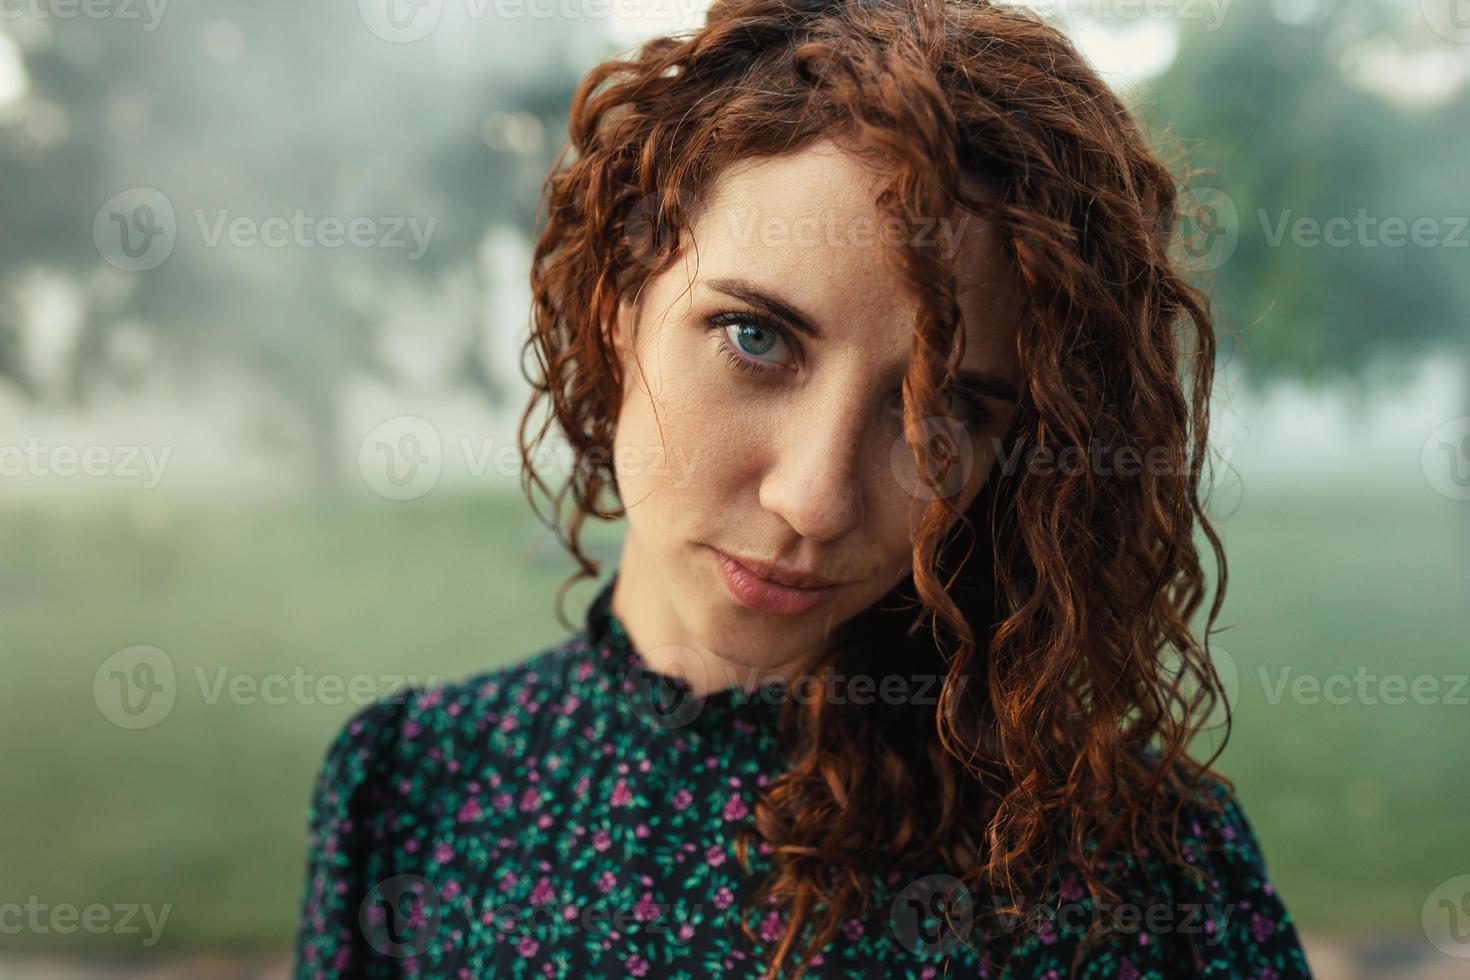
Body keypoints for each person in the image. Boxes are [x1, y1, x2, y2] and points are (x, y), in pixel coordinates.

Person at [292, 0, 1312, 976]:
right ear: (620, 300)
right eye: (757, 338)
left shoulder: (1130, 869)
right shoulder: (411, 792)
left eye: (944, 408)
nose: (816, 501)